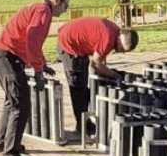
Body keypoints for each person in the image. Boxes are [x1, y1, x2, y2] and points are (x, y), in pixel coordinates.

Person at [0, 0, 69, 156]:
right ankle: (10, 154)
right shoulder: (43, 11)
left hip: (1, 55)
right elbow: (32, 41)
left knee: (11, 102)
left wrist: (42, 64)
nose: (66, 9)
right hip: (7, 57)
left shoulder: (38, 8)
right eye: (66, 5)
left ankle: (2, 141)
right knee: (21, 104)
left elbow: (33, 41)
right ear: (57, 0)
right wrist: (38, 71)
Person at [52, 13, 138, 145]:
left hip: (74, 40)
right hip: (69, 45)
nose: (121, 52)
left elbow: (100, 58)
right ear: (121, 40)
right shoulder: (109, 39)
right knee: (78, 88)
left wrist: (106, 71)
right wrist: (114, 76)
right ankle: (82, 129)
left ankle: (87, 124)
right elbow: (96, 64)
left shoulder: (114, 31)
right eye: (122, 49)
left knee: (84, 84)